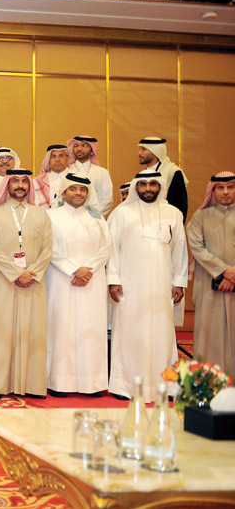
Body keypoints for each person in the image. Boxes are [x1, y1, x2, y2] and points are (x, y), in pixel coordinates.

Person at [107, 170, 188, 400]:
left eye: (153, 184)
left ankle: (165, 386)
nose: (148, 188)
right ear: (136, 186)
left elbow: (180, 250)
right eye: (143, 184)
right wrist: (113, 280)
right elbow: (112, 249)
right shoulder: (121, 213)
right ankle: (125, 387)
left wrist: (179, 282)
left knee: (162, 334)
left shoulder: (173, 213)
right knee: (130, 333)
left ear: (160, 187)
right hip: (129, 286)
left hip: (162, 286)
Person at [0, 168, 52, 398]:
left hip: (33, 281)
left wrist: (32, 273)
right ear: (7, 185)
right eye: (15, 181)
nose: (20, 185)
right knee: (0, 331)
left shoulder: (40, 214)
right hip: (3, 280)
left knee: (32, 332)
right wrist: (15, 273)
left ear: (29, 185)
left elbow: (47, 249)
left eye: (24, 181)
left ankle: (32, 386)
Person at [45, 173, 110, 397]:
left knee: (91, 330)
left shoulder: (97, 218)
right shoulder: (50, 216)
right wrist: (73, 269)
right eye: (73, 189)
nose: (78, 193)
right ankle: (59, 383)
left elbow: (106, 247)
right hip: (60, 279)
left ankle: (91, 384)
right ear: (64, 192)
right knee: (61, 329)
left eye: (82, 190)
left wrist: (87, 271)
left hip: (92, 280)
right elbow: (48, 248)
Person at [187, 171, 235, 372]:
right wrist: (224, 270)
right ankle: (207, 378)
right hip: (209, 285)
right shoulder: (200, 217)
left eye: (230, 187)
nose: (225, 192)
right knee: (209, 335)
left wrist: (232, 275)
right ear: (212, 191)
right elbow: (197, 248)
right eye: (220, 188)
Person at [138, 137, 189, 220]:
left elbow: (180, 205)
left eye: (144, 149)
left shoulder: (173, 172)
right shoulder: (143, 173)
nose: (139, 153)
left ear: (155, 151)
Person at [67, 136, 113, 216]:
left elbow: (107, 200)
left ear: (92, 151)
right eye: (76, 146)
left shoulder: (102, 173)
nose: (79, 149)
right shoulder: (66, 171)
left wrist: (92, 216)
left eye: (84, 145)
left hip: (93, 218)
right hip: (69, 217)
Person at [33, 144, 73, 209]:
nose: (57, 159)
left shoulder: (77, 178)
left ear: (68, 158)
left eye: (61, 156)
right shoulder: (37, 182)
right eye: (53, 156)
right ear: (48, 160)